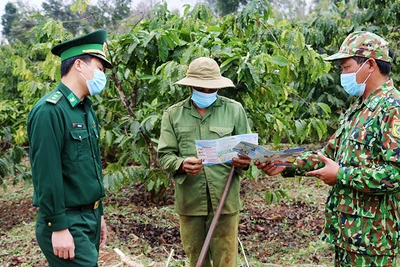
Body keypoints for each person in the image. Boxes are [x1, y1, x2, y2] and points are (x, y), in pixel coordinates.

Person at [256, 31, 400, 266]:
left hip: (375, 240)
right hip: (348, 233)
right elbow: (328, 154)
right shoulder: (359, 107)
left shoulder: (392, 108)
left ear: (370, 64)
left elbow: (395, 174)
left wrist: (341, 175)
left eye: (346, 67)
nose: (343, 75)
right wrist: (283, 162)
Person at [27, 29, 113, 266]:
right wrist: (58, 227)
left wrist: (99, 213)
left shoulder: (85, 109)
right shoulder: (50, 111)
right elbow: (46, 174)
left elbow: (91, 168)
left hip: (89, 216)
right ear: (79, 65)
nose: (101, 75)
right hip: (67, 220)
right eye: (99, 68)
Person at [158, 57, 252, 267]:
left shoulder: (234, 110)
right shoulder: (173, 115)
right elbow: (165, 155)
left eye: (211, 89)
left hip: (225, 198)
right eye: (202, 88)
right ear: (191, 86)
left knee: (226, 260)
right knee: (196, 260)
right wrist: (182, 164)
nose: (207, 93)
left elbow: (247, 153)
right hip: (191, 201)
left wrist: (243, 161)